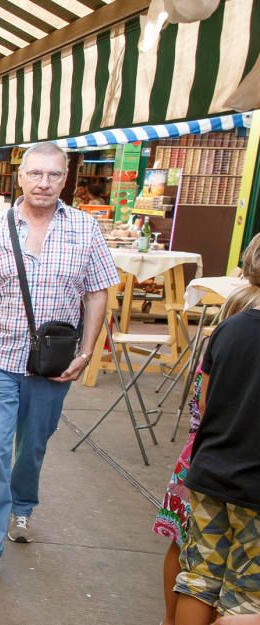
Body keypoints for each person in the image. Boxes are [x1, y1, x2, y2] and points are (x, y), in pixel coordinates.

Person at [0, 141, 119, 590]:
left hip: (53, 361)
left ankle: (22, 504)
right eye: (35, 174)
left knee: (34, 444)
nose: (43, 183)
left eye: (53, 175)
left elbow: (98, 291)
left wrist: (86, 350)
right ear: (20, 177)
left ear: (66, 179)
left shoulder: (85, 229)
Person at [155, 236, 260, 625]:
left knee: (198, 577)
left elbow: (205, 403)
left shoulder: (229, 330)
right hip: (253, 485)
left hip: (211, 471)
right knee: (247, 597)